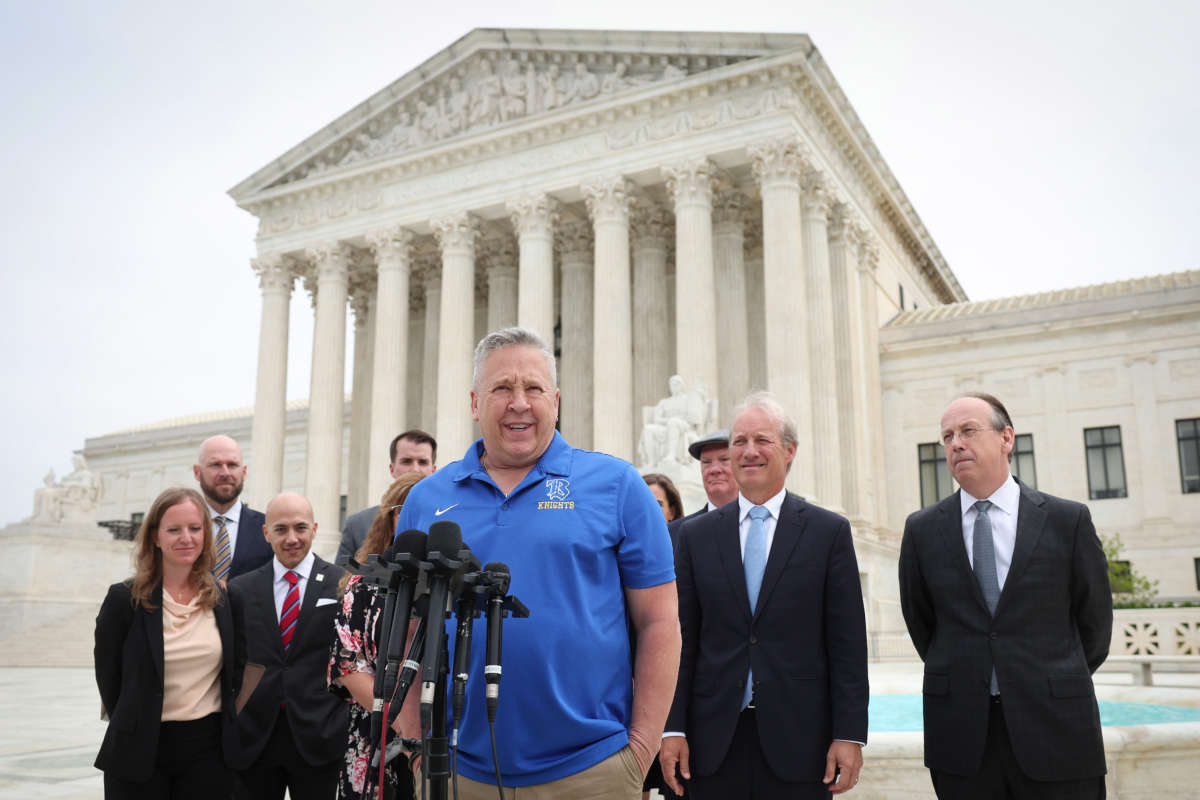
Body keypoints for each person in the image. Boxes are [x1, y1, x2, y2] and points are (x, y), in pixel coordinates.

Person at [395, 326, 680, 799]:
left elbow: (660, 622)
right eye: (501, 388)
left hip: (592, 771)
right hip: (459, 773)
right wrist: (415, 747)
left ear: (556, 399)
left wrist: (639, 750)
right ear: (473, 403)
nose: (519, 403)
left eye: (533, 388)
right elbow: (408, 632)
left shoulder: (617, 486)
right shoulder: (427, 500)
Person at [898, 393, 1112, 799]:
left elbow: (1095, 626)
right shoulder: (922, 530)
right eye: (947, 436)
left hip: (1057, 730)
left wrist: (1044, 678)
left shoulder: (1068, 521)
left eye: (968, 431)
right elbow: (922, 623)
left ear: (1007, 438)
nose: (955, 443)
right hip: (962, 739)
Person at [661, 391, 868, 799]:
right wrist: (673, 727)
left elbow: (847, 644)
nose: (748, 451)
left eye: (762, 440)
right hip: (711, 742)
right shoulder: (695, 536)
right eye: (739, 441)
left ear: (789, 451)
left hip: (801, 744)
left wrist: (849, 735)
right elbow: (681, 641)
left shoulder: (828, 533)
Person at [93, 487, 237, 799]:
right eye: (174, 529)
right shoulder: (124, 599)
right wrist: (136, 718)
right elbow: (109, 678)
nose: (186, 538)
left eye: (195, 528)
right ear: (155, 537)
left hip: (208, 753)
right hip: (139, 751)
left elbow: (235, 670)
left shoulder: (222, 598)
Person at [226, 492, 349, 799]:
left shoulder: (343, 584)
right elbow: (232, 662)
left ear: (315, 529)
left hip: (320, 736)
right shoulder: (240, 589)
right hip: (254, 739)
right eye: (281, 529)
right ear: (266, 533)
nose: (291, 538)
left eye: (300, 528)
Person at [329, 472, 426, 800]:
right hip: (374, 740)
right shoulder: (363, 585)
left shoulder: (450, 587)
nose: (415, 517)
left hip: (436, 742)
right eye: (405, 509)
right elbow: (348, 666)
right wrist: (406, 729)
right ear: (389, 518)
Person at [337, 430, 437, 564]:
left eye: (423, 462)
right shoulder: (357, 525)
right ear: (392, 469)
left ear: (434, 470)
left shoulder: (448, 520)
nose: (415, 469)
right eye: (406, 461)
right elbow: (341, 580)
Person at [193, 435, 272, 581]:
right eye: (215, 465)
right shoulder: (180, 529)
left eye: (232, 465)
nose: (225, 473)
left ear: (244, 471)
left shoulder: (270, 529)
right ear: (197, 472)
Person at [668, 429, 736, 538]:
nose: (714, 469)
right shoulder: (675, 532)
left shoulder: (759, 524)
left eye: (724, 460)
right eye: (706, 462)